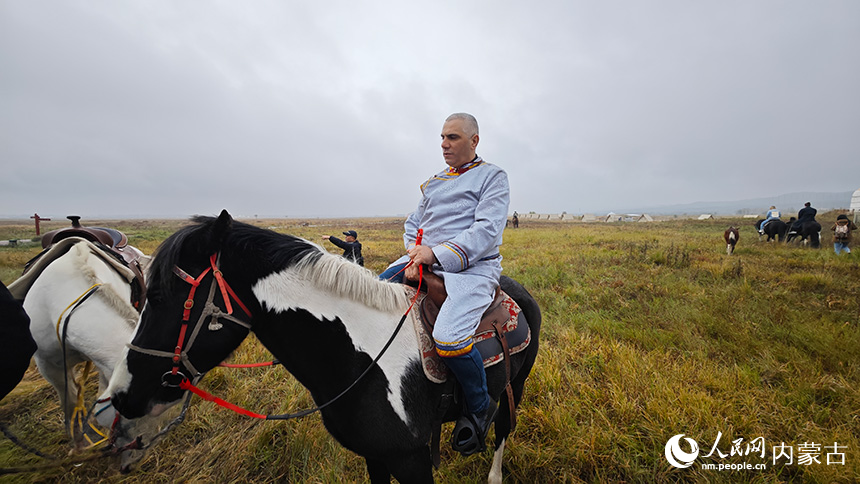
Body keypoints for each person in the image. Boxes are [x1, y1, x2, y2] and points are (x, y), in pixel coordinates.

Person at [379, 112, 509, 455]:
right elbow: (413, 223)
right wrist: (413, 253)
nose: (444, 144)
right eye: (442, 137)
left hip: (470, 270)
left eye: (452, 137)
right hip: (422, 259)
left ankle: (480, 408)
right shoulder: (434, 181)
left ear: (474, 141)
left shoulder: (492, 177)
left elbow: (486, 231)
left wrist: (434, 254)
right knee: (371, 294)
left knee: (449, 339)